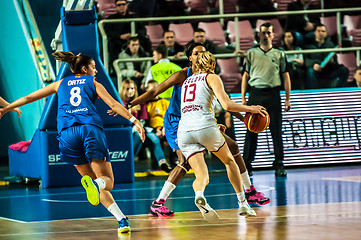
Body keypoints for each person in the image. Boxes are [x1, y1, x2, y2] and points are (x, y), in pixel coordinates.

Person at [0, 51, 145, 234]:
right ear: (85, 68)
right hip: (88, 128)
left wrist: (7, 109)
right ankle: (99, 189)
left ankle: (122, 220)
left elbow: (29, 98)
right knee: (107, 182)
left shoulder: (59, 83)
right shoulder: (92, 82)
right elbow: (114, 104)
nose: (96, 71)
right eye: (94, 67)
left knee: (94, 181)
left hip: (67, 134)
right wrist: (135, 121)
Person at [127, 43, 271, 218]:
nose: (200, 55)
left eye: (202, 53)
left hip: (189, 124)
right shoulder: (186, 75)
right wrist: (250, 110)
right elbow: (156, 91)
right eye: (196, 53)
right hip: (176, 122)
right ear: (190, 57)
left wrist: (244, 119)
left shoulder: (189, 81)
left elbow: (214, 105)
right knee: (185, 163)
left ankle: (243, 190)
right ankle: (158, 202)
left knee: (231, 147)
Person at [178, 51, 266, 222]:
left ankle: (199, 194)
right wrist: (251, 109)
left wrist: (209, 127)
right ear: (211, 64)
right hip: (204, 127)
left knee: (201, 175)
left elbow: (190, 110)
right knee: (229, 161)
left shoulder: (186, 81)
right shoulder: (212, 77)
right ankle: (242, 203)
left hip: (184, 131)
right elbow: (226, 105)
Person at [241, 22, 291, 177]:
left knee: (276, 131)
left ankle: (279, 164)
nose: (266, 35)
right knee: (251, 130)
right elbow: (245, 76)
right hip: (255, 94)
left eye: (269, 33)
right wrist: (243, 97)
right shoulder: (251, 53)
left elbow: (285, 76)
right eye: (263, 33)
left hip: (273, 94)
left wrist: (287, 99)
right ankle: (247, 164)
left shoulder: (280, 54)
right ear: (259, 35)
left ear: (273, 35)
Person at [118, 79, 171, 172]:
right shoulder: (119, 103)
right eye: (128, 89)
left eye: (133, 88)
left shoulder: (139, 103)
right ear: (123, 90)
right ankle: (128, 161)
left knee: (154, 137)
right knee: (141, 134)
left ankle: (162, 162)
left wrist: (152, 130)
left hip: (141, 131)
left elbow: (143, 122)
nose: (131, 91)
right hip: (126, 133)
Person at [105, 0, 151, 71]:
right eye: (119, 5)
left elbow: (143, 30)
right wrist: (120, 36)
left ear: (127, 5)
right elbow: (108, 32)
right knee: (112, 44)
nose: (121, 7)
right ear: (116, 7)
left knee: (146, 41)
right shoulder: (111, 19)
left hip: (135, 40)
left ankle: (149, 65)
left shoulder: (134, 17)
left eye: (123, 4)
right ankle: (115, 69)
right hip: (119, 41)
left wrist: (135, 35)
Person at [303, 24, 349, 89]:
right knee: (310, 71)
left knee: (344, 70)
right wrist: (314, 64)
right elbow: (306, 60)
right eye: (319, 31)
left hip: (328, 70)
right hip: (316, 70)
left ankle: (338, 90)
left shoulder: (330, 45)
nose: (321, 33)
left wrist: (332, 62)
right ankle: (314, 93)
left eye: (323, 31)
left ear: (326, 34)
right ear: (315, 32)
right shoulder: (308, 45)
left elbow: (335, 62)